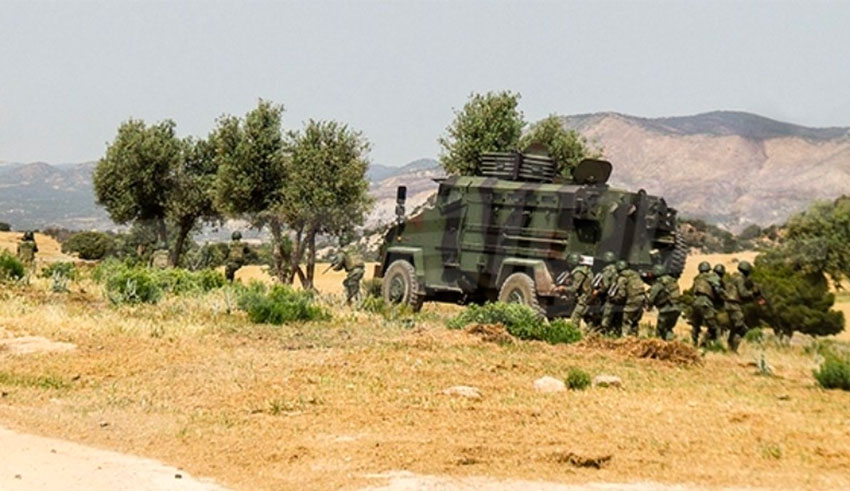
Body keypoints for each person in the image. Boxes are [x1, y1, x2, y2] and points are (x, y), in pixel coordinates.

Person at [724, 260, 762, 353]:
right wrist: (753, 293)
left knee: (734, 327)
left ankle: (730, 348)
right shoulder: (740, 279)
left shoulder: (734, 278)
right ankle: (733, 350)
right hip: (734, 304)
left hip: (728, 304)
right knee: (742, 328)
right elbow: (743, 293)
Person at [609, 260, 646, 336]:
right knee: (634, 322)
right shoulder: (636, 275)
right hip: (641, 301)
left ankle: (625, 338)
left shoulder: (622, 278)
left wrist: (613, 299)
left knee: (626, 321)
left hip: (631, 302)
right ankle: (635, 338)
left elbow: (622, 295)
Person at [556, 253, 593, 329]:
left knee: (574, 319)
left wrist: (563, 288)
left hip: (583, 298)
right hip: (586, 297)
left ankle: (573, 332)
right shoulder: (585, 270)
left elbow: (574, 288)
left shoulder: (579, 272)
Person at [689, 261, 722, 346]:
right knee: (715, 327)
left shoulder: (697, 279)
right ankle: (718, 345)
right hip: (705, 302)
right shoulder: (711, 277)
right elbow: (717, 289)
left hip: (695, 303)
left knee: (696, 326)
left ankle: (693, 344)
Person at [646, 264, 681, 340]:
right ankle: (671, 343)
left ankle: (659, 344)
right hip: (676, 308)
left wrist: (649, 306)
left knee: (660, 330)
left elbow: (652, 297)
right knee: (668, 328)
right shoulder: (672, 281)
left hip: (666, 309)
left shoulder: (659, 283)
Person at [586, 251, 619, 332]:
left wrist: (598, 292)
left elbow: (606, 286)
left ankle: (600, 329)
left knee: (598, 313)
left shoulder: (607, 271)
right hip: (616, 295)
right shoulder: (616, 269)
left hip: (607, 296)